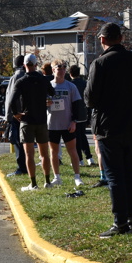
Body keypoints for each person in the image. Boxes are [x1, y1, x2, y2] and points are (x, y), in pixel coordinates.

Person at [84, 23, 132, 238]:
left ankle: (120, 222)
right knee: (128, 173)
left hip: (108, 125)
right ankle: (131, 218)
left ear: (102, 39)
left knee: (114, 175)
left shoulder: (100, 63)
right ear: (121, 37)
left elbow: (90, 98)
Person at [6, 53, 56, 191]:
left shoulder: (21, 81)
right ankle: (47, 181)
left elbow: (12, 101)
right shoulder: (43, 79)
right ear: (36, 65)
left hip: (27, 120)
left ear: (24, 65)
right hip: (42, 120)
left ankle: (33, 184)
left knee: (29, 154)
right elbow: (52, 93)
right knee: (44, 154)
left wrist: (16, 113)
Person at [47, 60, 85, 188]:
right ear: (53, 70)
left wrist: (74, 122)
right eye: (59, 68)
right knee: (53, 152)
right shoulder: (48, 86)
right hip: (52, 124)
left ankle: (77, 177)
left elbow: (77, 105)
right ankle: (56, 177)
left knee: (72, 151)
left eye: (64, 68)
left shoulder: (71, 86)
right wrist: (45, 103)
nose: (62, 71)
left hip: (67, 124)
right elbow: (40, 103)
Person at [4, 54, 28, 177]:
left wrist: (9, 115)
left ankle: (21, 167)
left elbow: (11, 98)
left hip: (17, 114)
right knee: (26, 142)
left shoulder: (16, 77)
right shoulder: (30, 76)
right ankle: (26, 166)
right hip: (28, 113)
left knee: (18, 142)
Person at [68, 65, 95, 166]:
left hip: (73, 114)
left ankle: (79, 159)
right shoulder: (85, 83)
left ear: (70, 74)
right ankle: (89, 157)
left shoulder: (70, 85)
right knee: (83, 136)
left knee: (76, 138)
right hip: (84, 113)